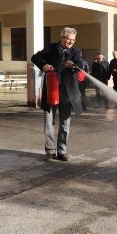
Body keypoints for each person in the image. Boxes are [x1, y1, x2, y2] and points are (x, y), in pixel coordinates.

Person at [31, 27, 84, 162]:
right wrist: (44, 65)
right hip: (51, 91)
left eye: (73, 40)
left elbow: (80, 65)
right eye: (68, 39)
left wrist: (73, 65)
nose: (71, 42)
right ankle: (50, 150)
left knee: (65, 123)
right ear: (62, 38)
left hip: (68, 94)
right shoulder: (50, 48)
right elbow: (35, 57)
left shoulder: (76, 52)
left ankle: (62, 151)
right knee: (49, 122)